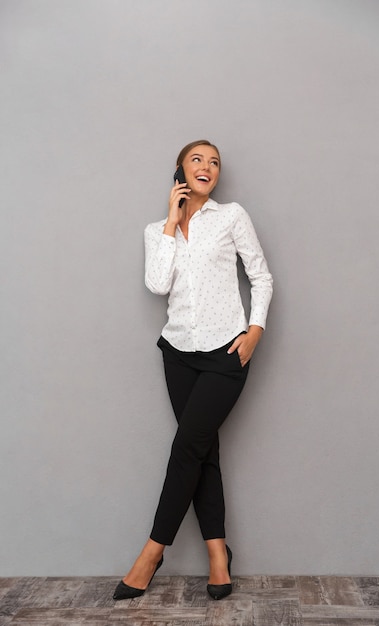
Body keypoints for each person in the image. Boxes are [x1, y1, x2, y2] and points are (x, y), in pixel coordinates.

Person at [113, 140, 273, 602]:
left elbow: (260, 276)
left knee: (186, 448)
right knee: (203, 454)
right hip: (178, 352)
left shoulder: (231, 216)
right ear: (180, 170)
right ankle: (219, 556)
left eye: (214, 161)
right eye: (197, 160)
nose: (207, 167)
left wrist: (255, 331)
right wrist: (170, 221)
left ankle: (150, 553)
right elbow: (157, 284)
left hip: (226, 353)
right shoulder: (155, 230)